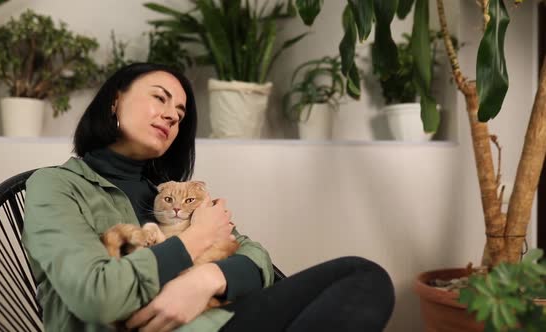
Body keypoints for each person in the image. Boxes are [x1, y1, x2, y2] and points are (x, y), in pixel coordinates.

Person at [22, 63, 395, 332]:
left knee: (363, 277)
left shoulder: (167, 193)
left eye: (180, 113)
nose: (171, 115)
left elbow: (256, 258)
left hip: (220, 318)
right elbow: (97, 296)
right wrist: (195, 238)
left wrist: (201, 283)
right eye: (160, 99)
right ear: (114, 102)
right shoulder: (56, 186)